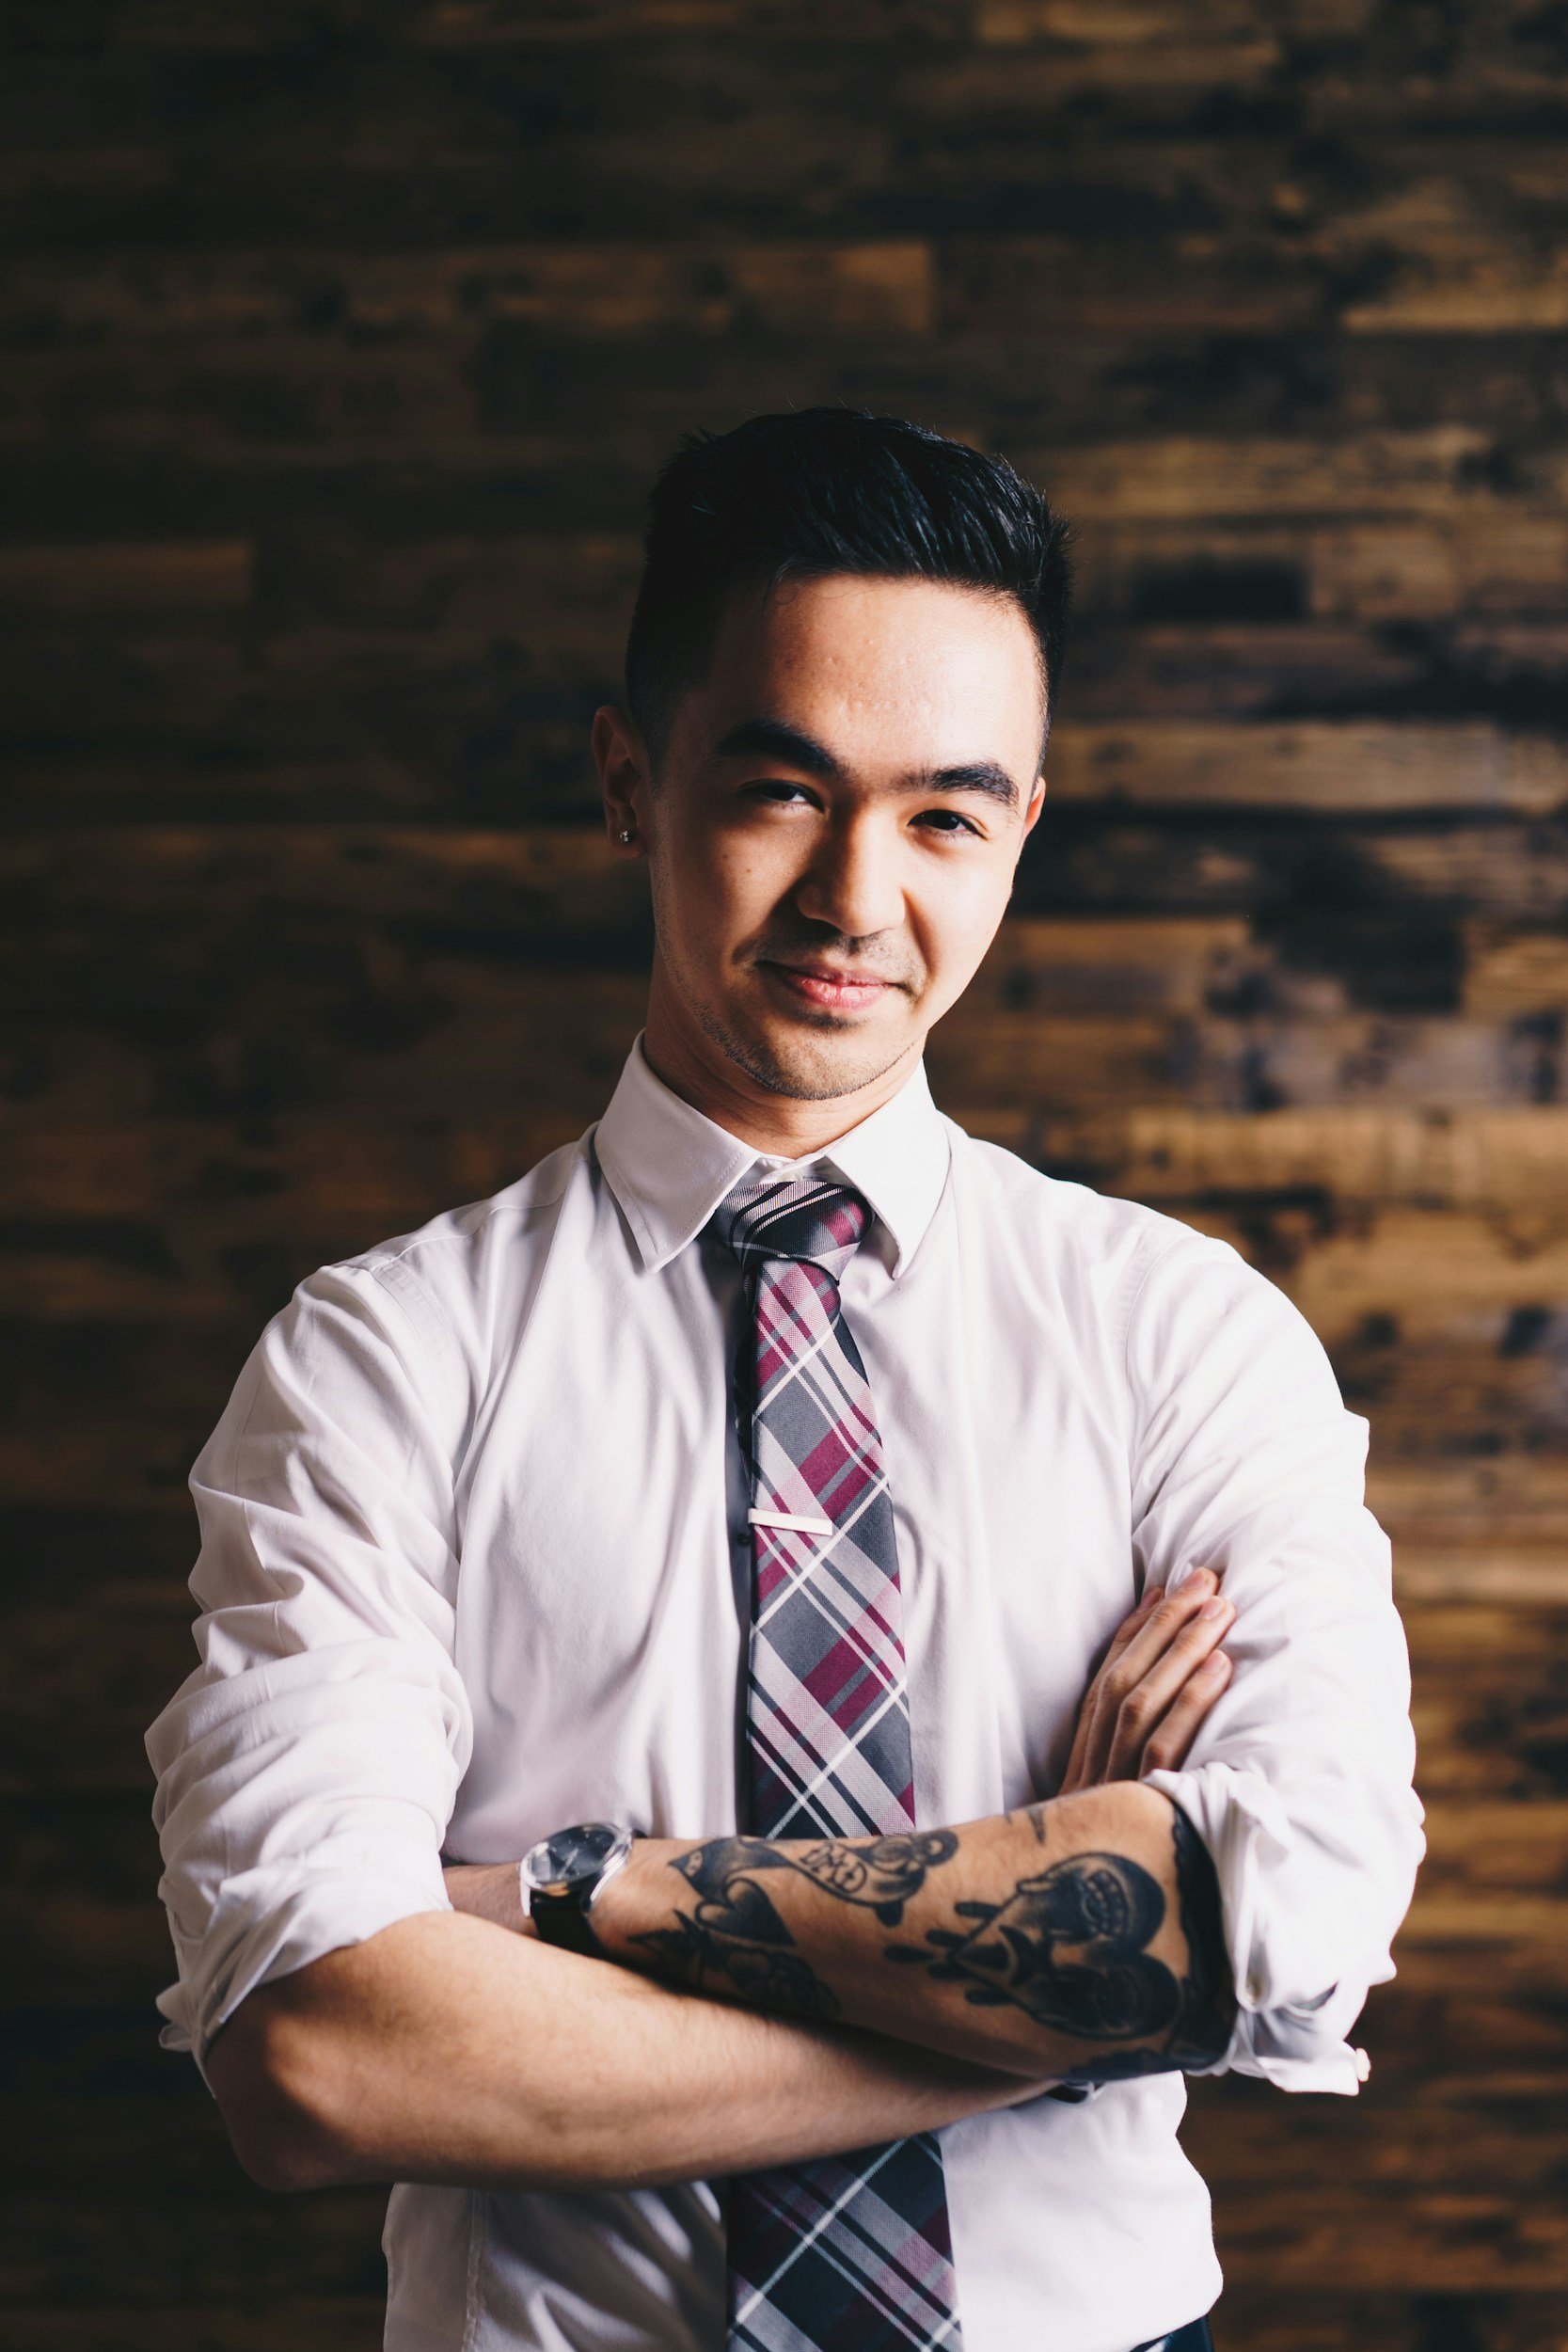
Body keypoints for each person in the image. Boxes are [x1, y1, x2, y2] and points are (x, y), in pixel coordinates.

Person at [145, 406, 1425, 2352]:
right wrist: (1033, 1993)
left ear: (1022, 833)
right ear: (628, 781)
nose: (855, 893)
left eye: (944, 813)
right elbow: (319, 2047)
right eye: (782, 789)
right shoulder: (380, 1360)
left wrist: (555, 1894)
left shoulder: (1185, 1338)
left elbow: (1287, 1913)